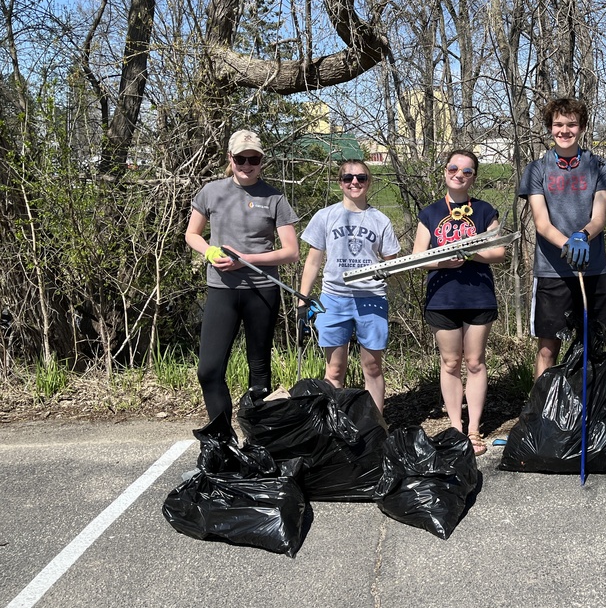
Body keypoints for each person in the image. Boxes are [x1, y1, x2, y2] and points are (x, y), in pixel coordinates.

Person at [185, 129, 300, 422]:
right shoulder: (211, 191)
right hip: (221, 289)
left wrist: (246, 260)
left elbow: (290, 252)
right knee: (208, 370)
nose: (247, 165)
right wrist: (210, 252)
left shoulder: (275, 198)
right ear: (230, 158)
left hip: (262, 290)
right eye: (240, 159)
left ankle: (258, 439)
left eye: (254, 159)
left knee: (259, 371)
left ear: (262, 161)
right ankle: (222, 440)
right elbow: (192, 234)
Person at [412, 150, 507, 455]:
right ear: (445, 171)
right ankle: (455, 428)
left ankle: (474, 429)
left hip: (478, 295)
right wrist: (441, 262)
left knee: (475, 362)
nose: (459, 174)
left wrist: (469, 253)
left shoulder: (484, 210)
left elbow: (498, 253)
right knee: (451, 362)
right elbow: (418, 258)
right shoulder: (429, 213)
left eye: (467, 171)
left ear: (473, 177)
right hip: (443, 297)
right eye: (454, 168)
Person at [517, 96, 606, 378]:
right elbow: (541, 222)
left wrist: (582, 236)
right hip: (552, 271)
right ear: (550, 128)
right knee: (548, 349)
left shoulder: (599, 166)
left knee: (595, 346)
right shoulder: (537, 169)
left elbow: (599, 215)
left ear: (582, 127)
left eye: (571, 124)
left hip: (593, 268)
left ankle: (593, 410)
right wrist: (567, 244)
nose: (565, 130)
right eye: (558, 124)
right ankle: (542, 414)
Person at [297, 160, 400, 415]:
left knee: (372, 367)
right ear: (340, 182)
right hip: (333, 299)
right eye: (348, 178)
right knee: (334, 369)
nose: (355, 182)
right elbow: (313, 261)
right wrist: (303, 301)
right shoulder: (325, 216)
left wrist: (389, 271)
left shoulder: (380, 220)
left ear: (369, 181)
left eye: (361, 177)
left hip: (371, 299)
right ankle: (334, 424)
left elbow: (393, 264)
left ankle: (376, 425)